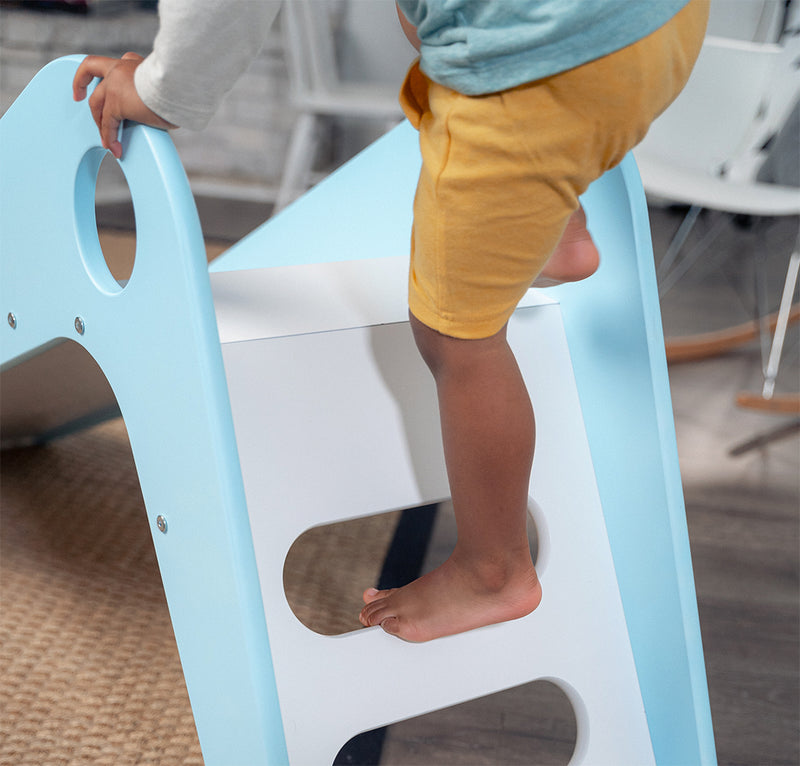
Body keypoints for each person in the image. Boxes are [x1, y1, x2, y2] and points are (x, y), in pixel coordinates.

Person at [74, 0, 709, 643]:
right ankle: (553, 222)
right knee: (438, 30)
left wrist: (161, 89)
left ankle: (495, 570)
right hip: (658, 27)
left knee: (457, 335)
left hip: (532, 71)